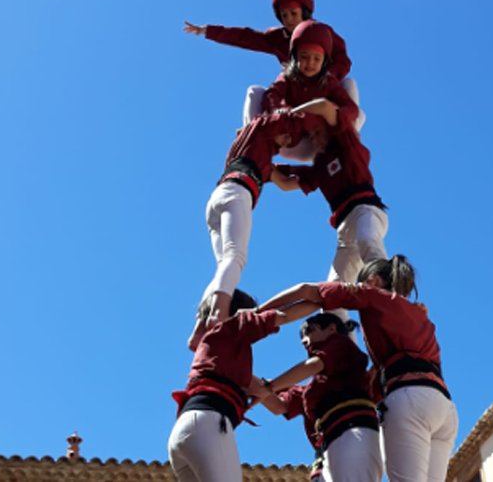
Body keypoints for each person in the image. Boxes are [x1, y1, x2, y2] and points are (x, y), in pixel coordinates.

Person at [255, 256, 458, 482]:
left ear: (372, 281)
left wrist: (256, 314)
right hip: (443, 406)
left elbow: (306, 291)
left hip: (407, 398)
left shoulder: (372, 296)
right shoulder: (419, 315)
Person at [190, 111, 325, 350]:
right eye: (288, 139)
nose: (287, 144)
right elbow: (291, 118)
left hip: (218, 198)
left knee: (224, 265)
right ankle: (217, 315)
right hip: (238, 192)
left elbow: (285, 183)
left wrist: (322, 176)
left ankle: (199, 327)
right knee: (235, 258)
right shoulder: (262, 129)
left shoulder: (256, 153)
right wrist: (325, 124)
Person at [168, 289, 317, 482]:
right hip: (209, 423)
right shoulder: (232, 327)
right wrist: (322, 301)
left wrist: (270, 388)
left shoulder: (222, 359)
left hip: (184, 430)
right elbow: (282, 316)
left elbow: (277, 405)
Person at [183, 0, 362, 138]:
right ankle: (251, 137)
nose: (289, 20)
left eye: (293, 13)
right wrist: (208, 30)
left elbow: (343, 61)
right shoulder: (277, 38)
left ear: (305, 11)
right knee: (255, 92)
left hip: (325, 98)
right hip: (295, 102)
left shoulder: (323, 33)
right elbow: (245, 37)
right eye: (284, 15)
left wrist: (324, 78)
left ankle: (348, 137)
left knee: (349, 84)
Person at [271, 120, 387, 330]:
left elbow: (326, 108)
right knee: (331, 296)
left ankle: (391, 293)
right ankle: (344, 348)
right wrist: (260, 162)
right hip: (344, 230)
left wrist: (293, 114)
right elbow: (285, 183)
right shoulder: (319, 168)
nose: (314, 139)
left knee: (368, 240)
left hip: (365, 210)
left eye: (317, 132)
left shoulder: (345, 144)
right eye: (311, 137)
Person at [250, 313, 383, 482]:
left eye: (309, 331)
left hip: (353, 433)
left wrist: (270, 386)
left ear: (332, 329)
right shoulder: (311, 392)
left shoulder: (341, 345)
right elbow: (280, 406)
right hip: (327, 453)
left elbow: (314, 365)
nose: (304, 340)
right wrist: (246, 378)